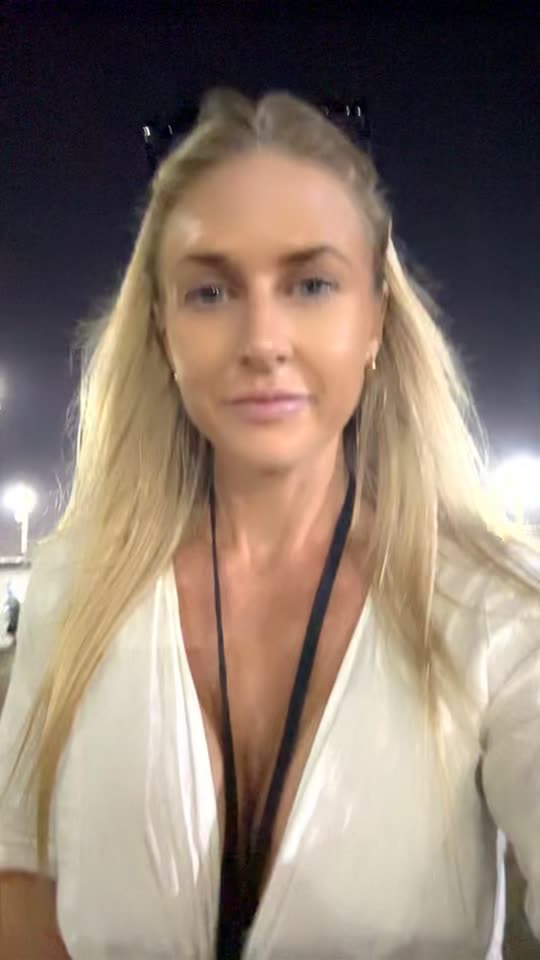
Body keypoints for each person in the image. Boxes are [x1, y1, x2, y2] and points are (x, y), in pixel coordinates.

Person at [0, 88, 539, 960]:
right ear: (163, 330)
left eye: (311, 283)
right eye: (211, 291)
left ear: (375, 320)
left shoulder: (496, 608)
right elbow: (19, 883)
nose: (262, 339)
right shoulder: (75, 588)